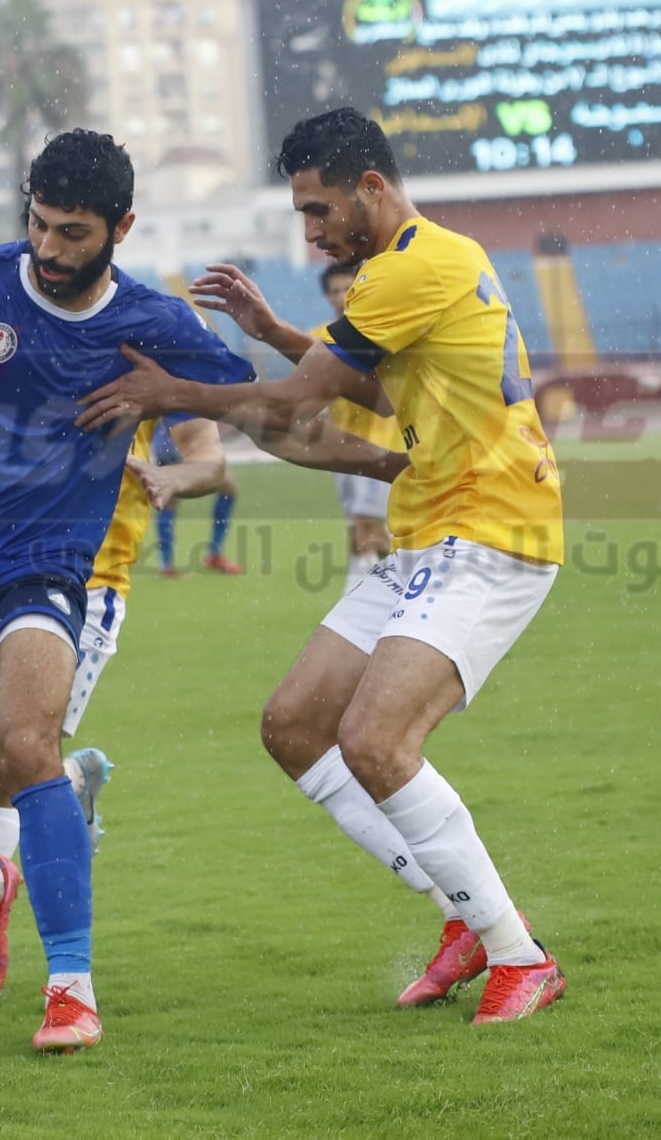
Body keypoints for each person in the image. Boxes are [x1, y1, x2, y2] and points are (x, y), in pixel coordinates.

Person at [0, 128, 397, 1053]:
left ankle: (70, 988)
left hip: (40, 573)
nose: (49, 249)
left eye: (72, 233)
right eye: (39, 225)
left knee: (26, 746)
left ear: (120, 228)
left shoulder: (154, 325)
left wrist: (393, 465)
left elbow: (276, 421)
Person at [78, 107, 567, 1025]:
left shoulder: (415, 266)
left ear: (371, 188)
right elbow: (377, 391)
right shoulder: (411, 266)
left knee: (377, 741)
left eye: (318, 209)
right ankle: (465, 912)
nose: (310, 232)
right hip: (429, 530)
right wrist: (273, 330)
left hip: (493, 531)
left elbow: (294, 406)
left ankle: (518, 955)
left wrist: (170, 391)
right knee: (296, 723)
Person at [0, 385, 229, 1009]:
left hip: (87, 585)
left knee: (0, 768)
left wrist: (172, 476)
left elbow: (209, 457)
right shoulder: (4, 339)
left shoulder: (148, 343)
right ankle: (66, 783)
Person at [317, 260, 400, 593]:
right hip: (341, 452)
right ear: (327, 296)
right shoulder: (319, 337)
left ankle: (358, 595)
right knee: (364, 528)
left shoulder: (379, 332)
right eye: (334, 290)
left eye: (347, 288)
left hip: (379, 444)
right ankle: (396, 585)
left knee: (366, 525)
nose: (341, 296)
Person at [150, 422, 245, 576]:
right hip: (185, 440)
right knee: (227, 489)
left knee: (169, 499)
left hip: (168, 440)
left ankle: (167, 563)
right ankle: (212, 553)